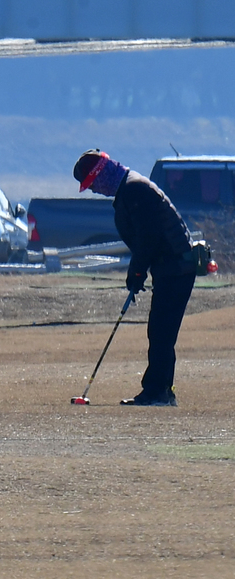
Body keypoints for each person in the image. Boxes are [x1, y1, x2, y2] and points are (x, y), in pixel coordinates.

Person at [74, 149, 200, 406]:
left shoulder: (135, 190)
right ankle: (163, 390)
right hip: (170, 269)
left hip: (176, 269)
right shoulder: (129, 188)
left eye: (92, 184)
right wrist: (140, 270)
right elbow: (147, 240)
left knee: (161, 332)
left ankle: (157, 392)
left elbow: (148, 237)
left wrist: (137, 271)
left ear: (101, 175)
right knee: (161, 331)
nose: (94, 190)